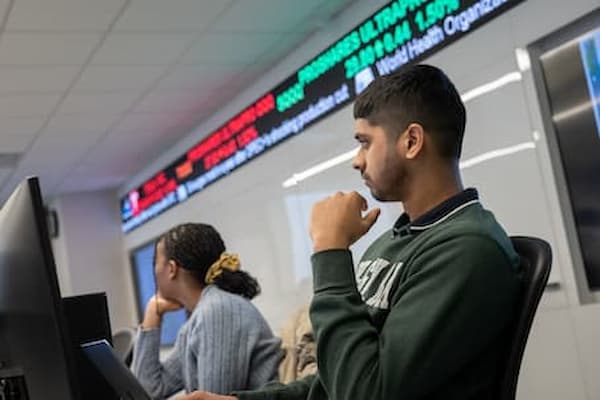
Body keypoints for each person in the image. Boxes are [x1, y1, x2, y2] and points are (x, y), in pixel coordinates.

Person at [183, 64, 522, 400]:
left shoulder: (466, 249)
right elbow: (335, 381)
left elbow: (364, 391)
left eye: (365, 143)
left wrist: (330, 250)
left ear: (412, 141)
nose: (357, 161)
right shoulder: (392, 243)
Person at [131, 223, 282, 399]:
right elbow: (148, 391)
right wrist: (153, 313)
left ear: (171, 269)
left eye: (155, 262)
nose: (154, 271)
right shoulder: (202, 317)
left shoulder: (217, 312)